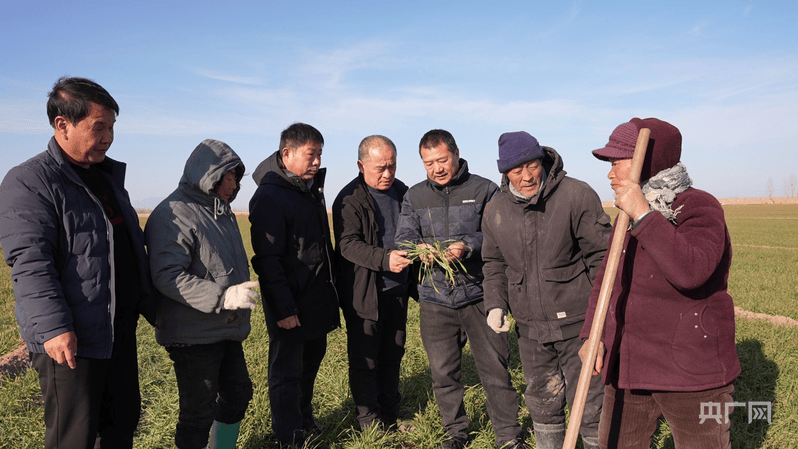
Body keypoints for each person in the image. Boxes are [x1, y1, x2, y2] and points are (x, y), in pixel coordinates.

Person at [0, 76, 157, 448]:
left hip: (116, 330)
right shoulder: (31, 181)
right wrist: (54, 328)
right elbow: (30, 261)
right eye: (98, 127)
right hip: (71, 339)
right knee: (74, 436)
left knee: (120, 424)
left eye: (112, 128)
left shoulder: (107, 180)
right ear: (62, 125)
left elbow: (127, 248)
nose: (108, 138)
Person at [579, 117, 741, 448]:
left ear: (648, 162)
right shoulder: (624, 215)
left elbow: (692, 271)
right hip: (628, 364)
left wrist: (644, 214)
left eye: (617, 162)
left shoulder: (699, 206)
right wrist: (593, 336)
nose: (610, 173)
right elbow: (606, 281)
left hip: (691, 370)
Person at [481, 131, 611, 449]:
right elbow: (493, 263)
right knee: (543, 402)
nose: (527, 176)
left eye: (532, 165)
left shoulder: (576, 195)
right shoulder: (496, 210)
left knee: (591, 405)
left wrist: (601, 323)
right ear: (505, 172)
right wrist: (495, 304)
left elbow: (602, 259)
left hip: (579, 326)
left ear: (543, 161)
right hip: (531, 330)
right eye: (517, 170)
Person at [395, 129, 524, 449]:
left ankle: (508, 436)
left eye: (442, 160)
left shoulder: (484, 189)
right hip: (435, 299)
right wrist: (418, 249)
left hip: (480, 294)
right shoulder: (414, 196)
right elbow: (404, 238)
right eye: (428, 163)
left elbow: (500, 234)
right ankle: (455, 434)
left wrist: (467, 246)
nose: (436, 168)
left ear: (456, 153)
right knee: (443, 373)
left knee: (495, 369)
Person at [144, 139, 258, 449]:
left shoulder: (221, 212)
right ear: (206, 174)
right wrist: (223, 296)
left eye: (236, 178)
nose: (233, 186)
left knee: (238, 394)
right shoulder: (173, 213)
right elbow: (167, 275)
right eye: (227, 178)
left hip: (223, 327)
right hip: (192, 333)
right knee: (197, 414)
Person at [249, 122, 340, 447]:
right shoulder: (270, 196)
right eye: (310, 155)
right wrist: (284, 310)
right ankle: (289, 436)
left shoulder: (309, 190)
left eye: (320, 155)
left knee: (310, 364)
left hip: (314, 298)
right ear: (287, 153)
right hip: (290, 304)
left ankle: (304, 419)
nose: (316, 162)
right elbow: (268, 260)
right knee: (287, 373)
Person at [332, 135, 414, 430]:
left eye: (392, 166)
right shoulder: (348, 198)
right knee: (365, 360)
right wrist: (384, 259)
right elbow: (347, 244)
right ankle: (369, 421)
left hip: (398, 290)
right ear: (361, 165)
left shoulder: (403, 192)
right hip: (364, 293)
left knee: (393, 353)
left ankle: (390, 413)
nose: (388, 173)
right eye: (381, 167)